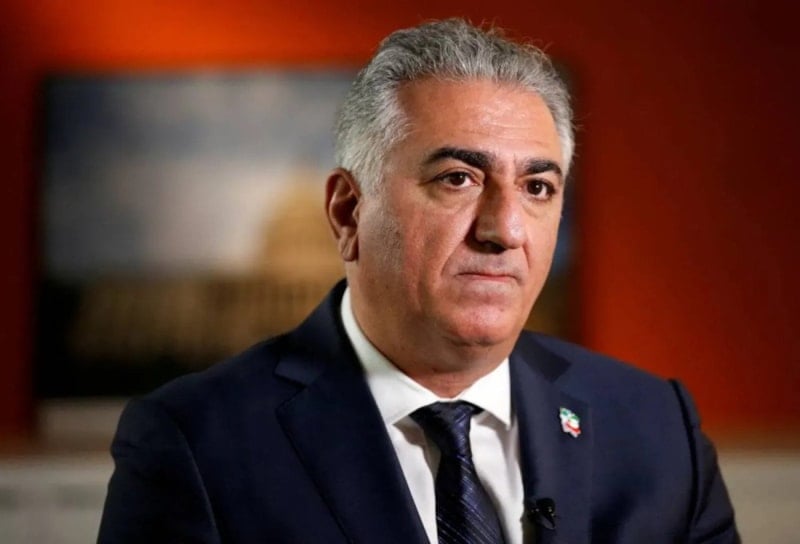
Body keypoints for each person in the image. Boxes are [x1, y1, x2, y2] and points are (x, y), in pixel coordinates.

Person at [98, 19, 739, 543]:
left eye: (538, 187)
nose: (505, 229)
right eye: (458, 179)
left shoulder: (657, 428)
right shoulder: (193, 443)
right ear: (349, 212)